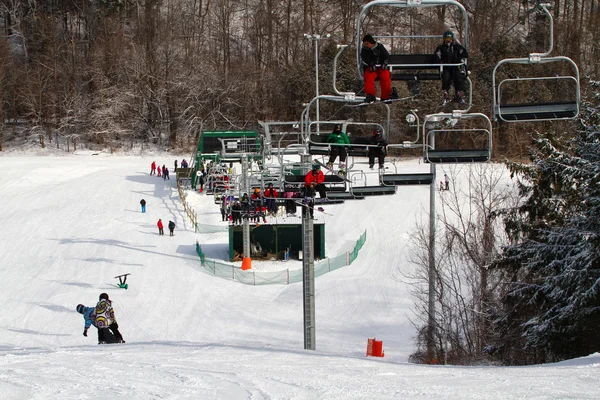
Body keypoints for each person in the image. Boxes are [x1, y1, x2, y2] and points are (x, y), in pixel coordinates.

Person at [433, 30, 468, 104]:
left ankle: (459, 93)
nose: (448, 41)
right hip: (446, 67)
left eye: (449, 39)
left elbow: (465, 53)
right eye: (446, 39)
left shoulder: (456, 47)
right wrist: (440, 62)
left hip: (455, 67)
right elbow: (436, 56)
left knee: (458, 76)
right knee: (446, 77)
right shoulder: (441, 48)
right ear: (444, 40)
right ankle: (446, 93)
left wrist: (458, 58)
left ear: (452, 39)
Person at [361, 34, 397, 103]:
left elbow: (386, 55)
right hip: (372, 67)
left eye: (367, 44)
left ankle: (385, 96)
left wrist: (385, 63)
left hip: (381, 66)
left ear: (371, 43)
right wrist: (370, 64)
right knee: (368, 77)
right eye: (365, 44)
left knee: (385, 77)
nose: (366, 45)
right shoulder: (365, 49)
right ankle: (370, 95)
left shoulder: (379, 47)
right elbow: (364, 57)